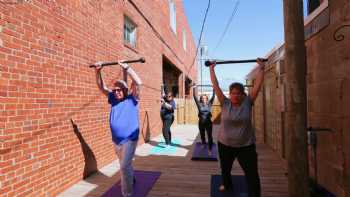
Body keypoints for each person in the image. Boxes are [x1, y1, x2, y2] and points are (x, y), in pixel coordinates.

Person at [209, 58, 266, 197]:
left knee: (252, 173)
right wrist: (211, 69)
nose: (234, 95)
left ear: (242, 94)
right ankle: (227, 184)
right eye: (232, 93)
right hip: (225, 144)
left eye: (237, 93)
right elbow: (215, 85)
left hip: (246, 146)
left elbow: (258, 85)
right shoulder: (225, 102)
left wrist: (261, 68)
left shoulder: (248, 102)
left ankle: (255, 194)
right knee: (225, 169)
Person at [94, 61, 142, 197]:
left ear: (126, 90)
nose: (116, 92)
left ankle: (127, 194)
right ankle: (131, 178)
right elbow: (101, 87)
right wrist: (97, 71)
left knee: (124, 166)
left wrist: (128, 68)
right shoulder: (113, 99)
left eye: (119, 90)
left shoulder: (133, 99)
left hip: (130, 140)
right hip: (116, 141)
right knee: (124, 164)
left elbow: (138, 82)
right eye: (114, 90)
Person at [192, 85, 215, 155]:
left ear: (207, 99)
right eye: (202, 98)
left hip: (208, 123)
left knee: (210, 136)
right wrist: (194, 88)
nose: (203, 99)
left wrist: (214, 88)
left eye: (205, 98)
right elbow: (195, 97)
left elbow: (213, 96)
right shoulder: (199, 104)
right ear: (201, 99)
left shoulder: (209, 104)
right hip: (201, 123)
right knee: (202, 135)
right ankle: (204, 144)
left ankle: (210, 150)